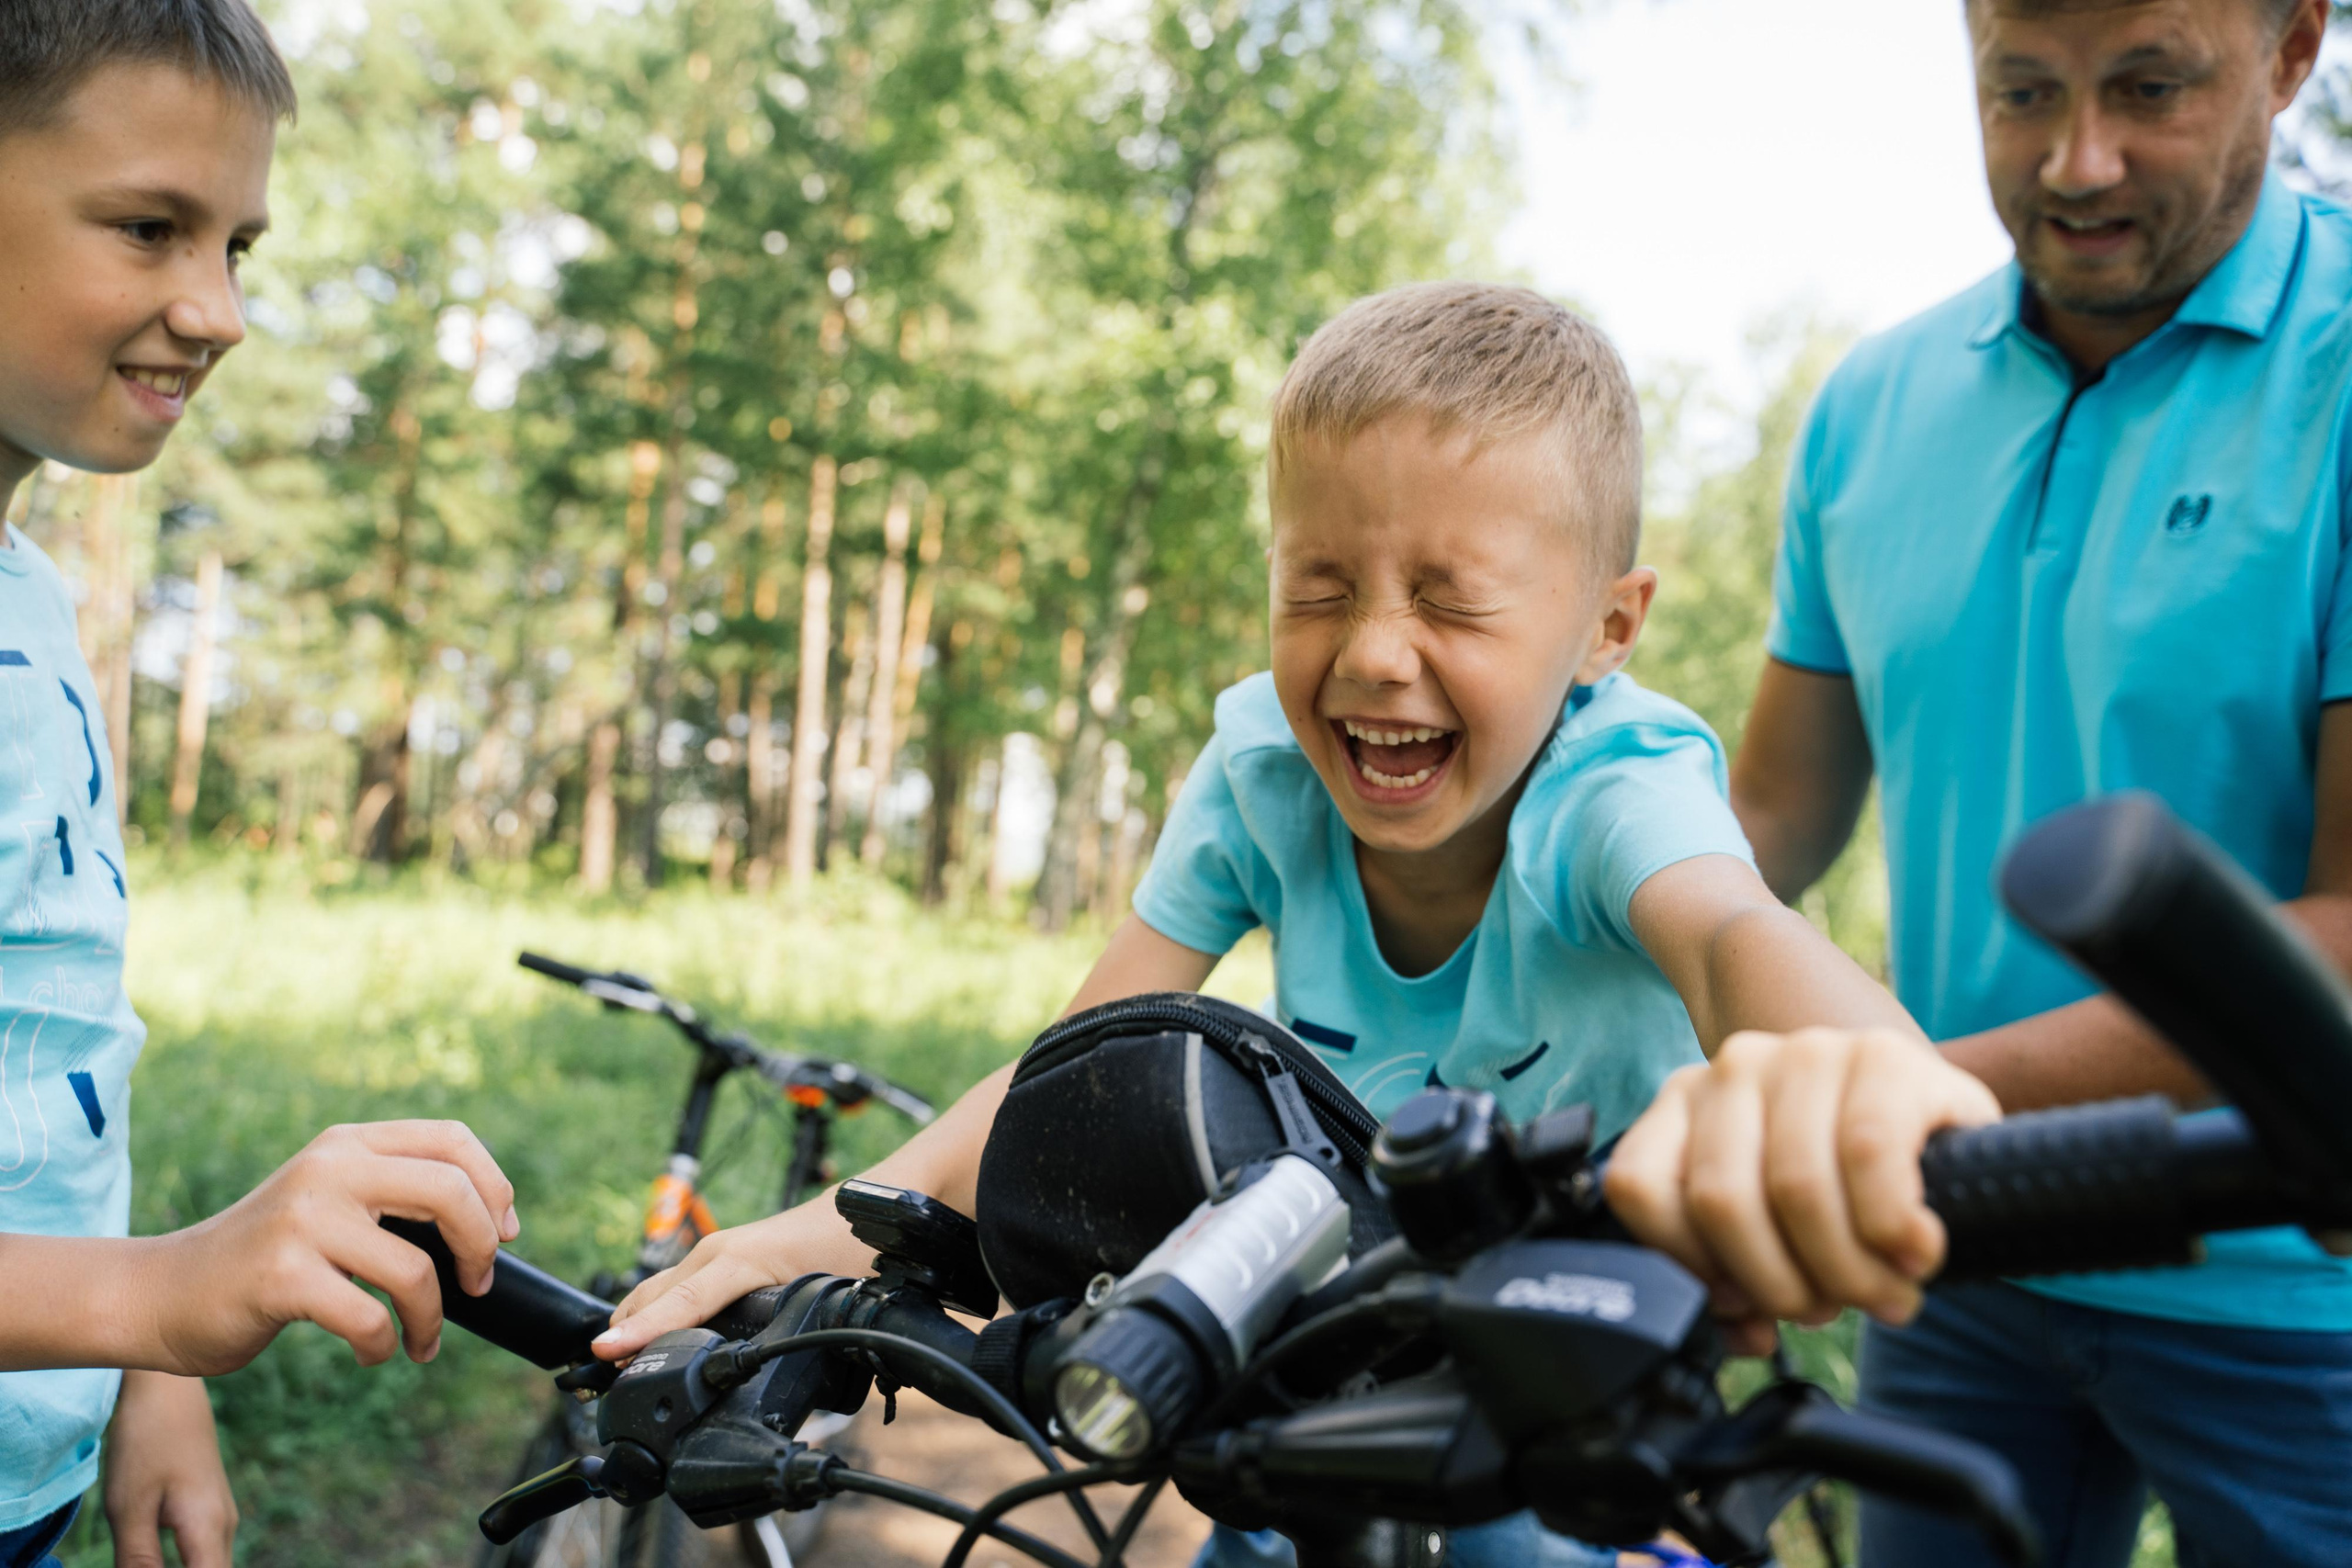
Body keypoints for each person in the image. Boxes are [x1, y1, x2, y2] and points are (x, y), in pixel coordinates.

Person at [599, 281, 1927, 1567]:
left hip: (1561, 1362)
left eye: (1450, 597)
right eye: (1320, 587)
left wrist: (1878, 1089)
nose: (1372, 654)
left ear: (1606, 627)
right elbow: (1068, 1062)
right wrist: (811, 1236)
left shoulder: (1614, 786)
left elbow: (1728, 937)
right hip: (1321, 1351)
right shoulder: (1261, 768)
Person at [1611, 2, 2352, 1563]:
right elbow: (1769, 823)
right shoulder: (1869, 412)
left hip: (2297, 1291)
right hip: (1951, 1270)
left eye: (2150, 87)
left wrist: (1883, 1105)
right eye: (2022, 91)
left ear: (2292, 52)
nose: (2077, 161)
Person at [0, 6, 520, 1566]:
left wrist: (139, 1363)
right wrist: (157, 1294)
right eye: (151, 228)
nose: (217, 311)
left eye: (240, 248)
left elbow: (51, 1036)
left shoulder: (33, 599)